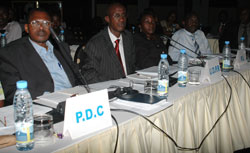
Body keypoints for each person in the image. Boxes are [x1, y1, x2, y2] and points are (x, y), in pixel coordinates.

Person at [0, 8, 80, 106]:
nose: (41, 28)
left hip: (75, 101)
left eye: (46, 23)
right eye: (35, 23)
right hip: (44, 107)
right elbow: (12, 93)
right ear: (26, 28)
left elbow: (77, 77)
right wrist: (53, 99)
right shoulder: (11, 53)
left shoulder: (61, 48)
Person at [79, 2, 135, 84]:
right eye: (117, 16)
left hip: (131, 87)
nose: (122, 19)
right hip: (109, 90)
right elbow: (88, 74)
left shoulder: (128, 38)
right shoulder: (95, 44)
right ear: (107, 19)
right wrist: (113, 85)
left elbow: (133, 66)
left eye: (123, 15)